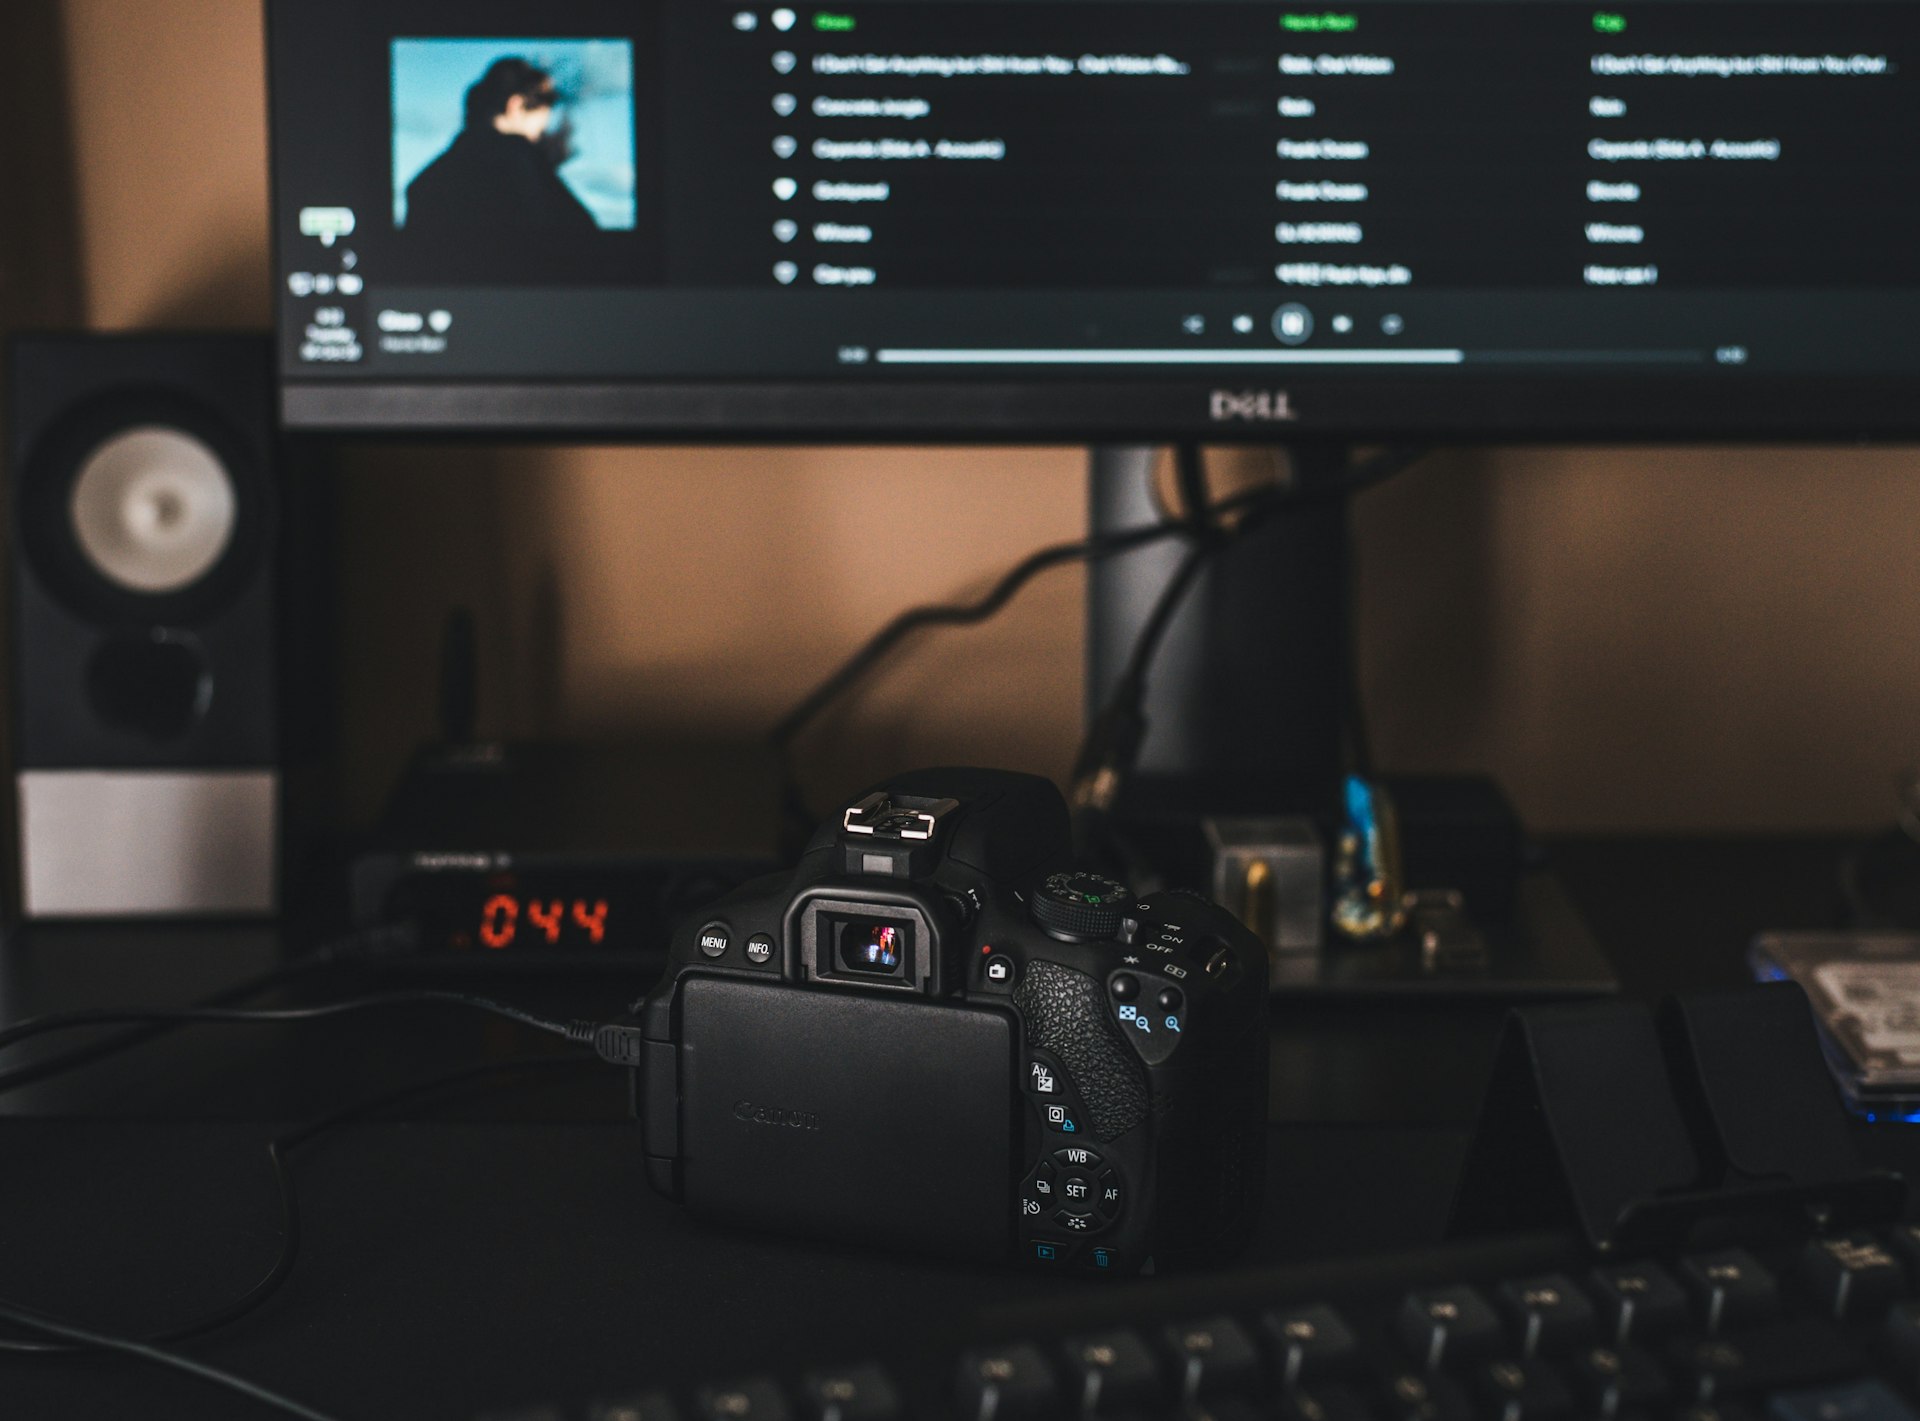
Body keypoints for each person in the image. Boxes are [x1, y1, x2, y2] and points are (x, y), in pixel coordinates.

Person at [403, 57, 598, 246]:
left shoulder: (424, 182)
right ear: (516, 105)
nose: (544, 129)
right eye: (546, 108)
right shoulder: (520, 164)